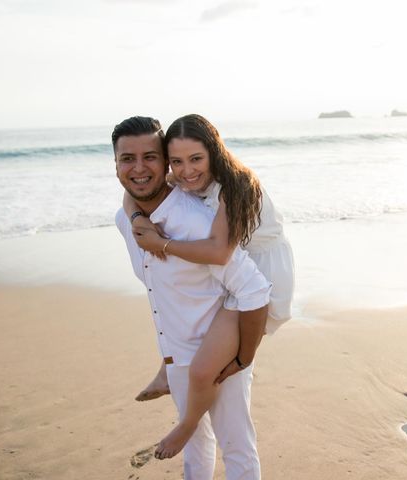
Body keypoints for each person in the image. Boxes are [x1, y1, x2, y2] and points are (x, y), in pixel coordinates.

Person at [124, 114, 295, 460]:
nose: (186, 171)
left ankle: (187, 424)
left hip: (262, 281)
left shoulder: (236, 186)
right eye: (177, 162)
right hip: (237, 274)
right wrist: (137, 218)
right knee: (189, 324)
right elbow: (133, 193)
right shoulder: (186, 176)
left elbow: (219, 252)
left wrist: (163, 245)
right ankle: (167, 369)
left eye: (196, 159)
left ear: (214, 152)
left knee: (204, 370)